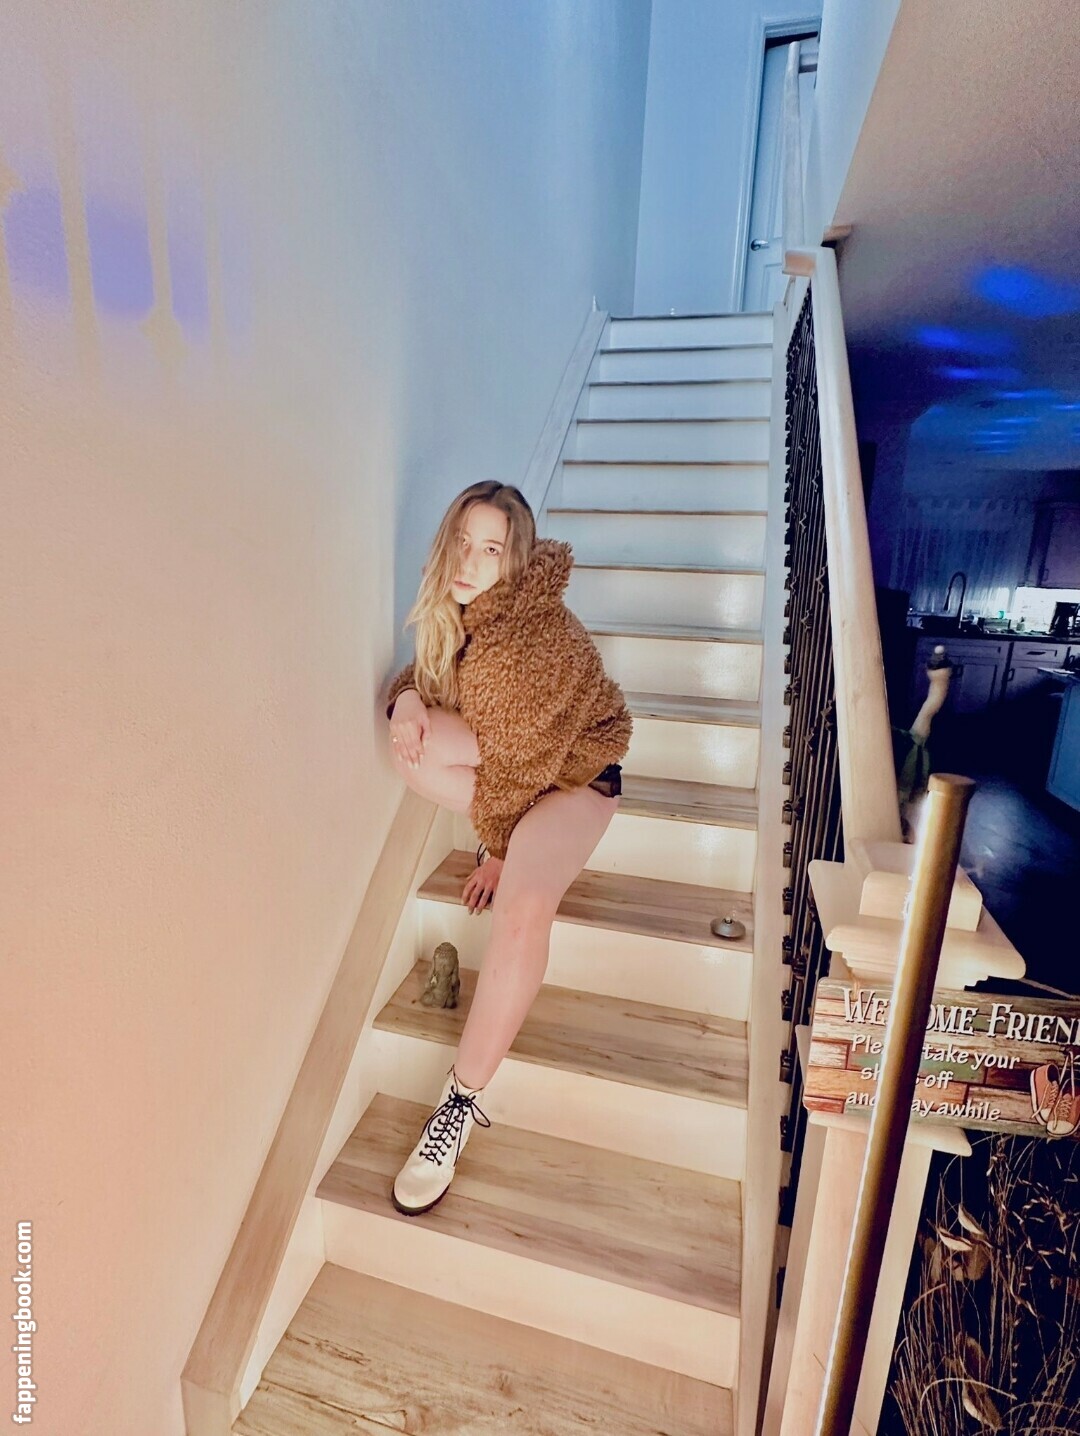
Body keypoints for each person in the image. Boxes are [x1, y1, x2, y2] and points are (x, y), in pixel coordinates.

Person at [383, 479, 633, 1215]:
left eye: (490, 549)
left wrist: (499, 854)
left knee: (522, 910)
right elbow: (428, 680)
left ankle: (458, 1103)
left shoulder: (532, 641)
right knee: (413, 744)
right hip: (523, 769)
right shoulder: (468, 612)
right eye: (464, 542)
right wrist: (405, 699)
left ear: (515, 559)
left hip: (578, 779)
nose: (471, 560)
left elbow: (522, 778)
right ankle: (508, 847)